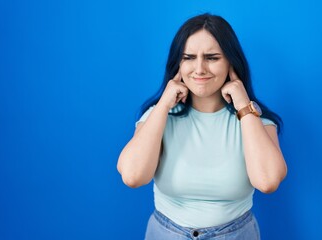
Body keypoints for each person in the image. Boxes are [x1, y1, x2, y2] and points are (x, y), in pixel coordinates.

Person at [117, 13, 287, 240]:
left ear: (231, 62)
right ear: (178, 63)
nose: (199, 69)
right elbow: (132, 176)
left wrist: (244, 106)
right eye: (188, 57)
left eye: (212, 57)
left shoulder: (257, 121)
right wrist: (164, 103)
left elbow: (267, 181)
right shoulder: (157, 116)